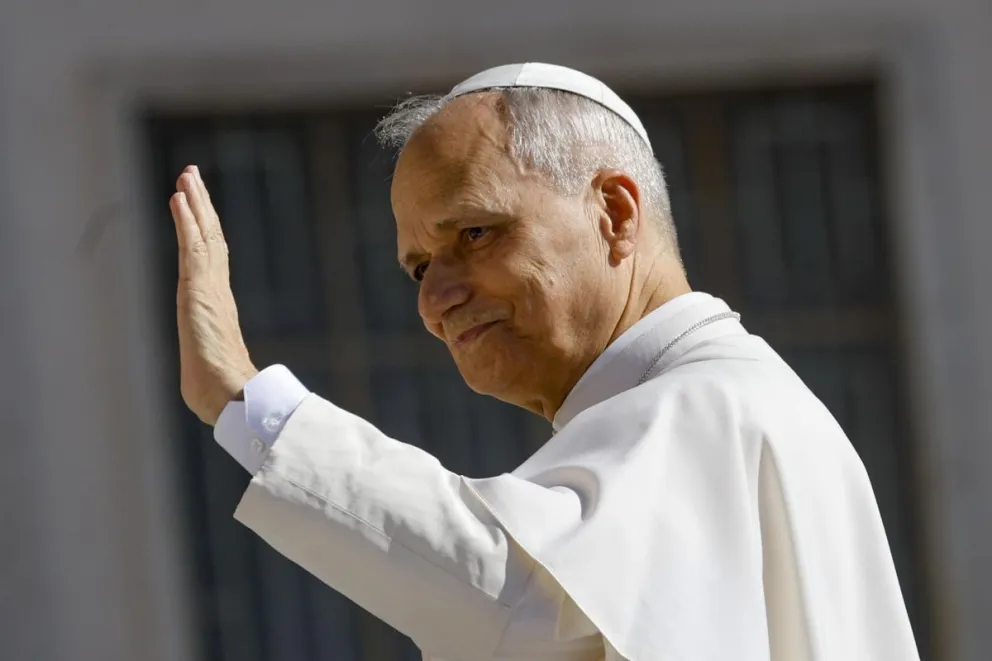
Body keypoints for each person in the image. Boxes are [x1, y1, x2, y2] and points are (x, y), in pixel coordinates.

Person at [168, 63, 921, 661]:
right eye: (417, 267)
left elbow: (519, 601)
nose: (439, 298)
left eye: (473, 234)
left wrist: (248, 401)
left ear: (615, 214)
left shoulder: (712, 402)